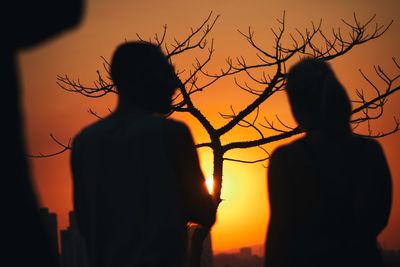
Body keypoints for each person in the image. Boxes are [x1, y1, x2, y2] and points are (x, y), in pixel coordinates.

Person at [71, 41, 216, 267]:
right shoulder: (171, 133)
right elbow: (204, 212)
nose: (173, 84)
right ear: (142, 78)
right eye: (166, 73)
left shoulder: (84, 142)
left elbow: (85, 223)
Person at [265, 58, 392, 267]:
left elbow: (278, 237)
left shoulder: (287, 158)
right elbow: (379, 219)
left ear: (297, 105)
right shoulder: (371, 151)